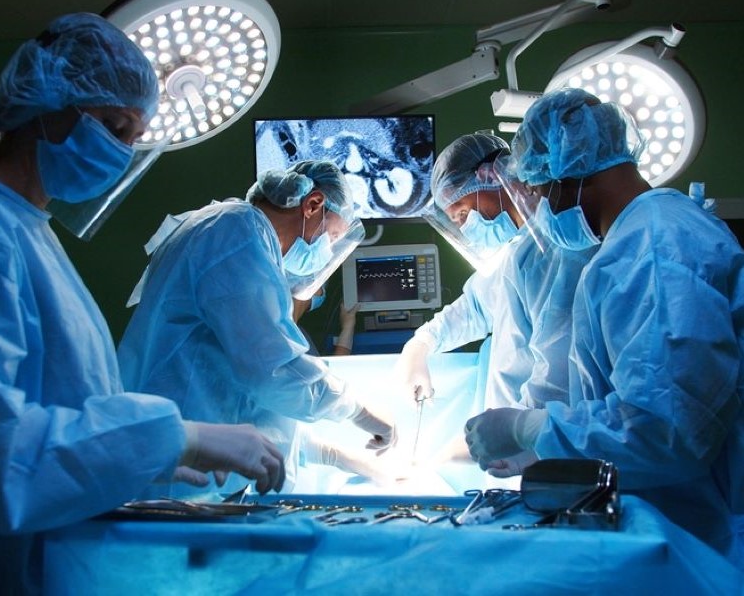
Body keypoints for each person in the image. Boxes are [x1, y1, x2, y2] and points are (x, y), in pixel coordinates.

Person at [0, 13, 286, 594]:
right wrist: (176, 436)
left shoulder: (30, 231)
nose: (121, 151)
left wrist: (142, 459)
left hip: (48, 556)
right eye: (112, 125)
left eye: (132, 137)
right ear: (45, 102)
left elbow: (63, 402)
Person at [465, 87, 744, 564]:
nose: (541, 208)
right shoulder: (638, 239)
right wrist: (550, 447)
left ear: (568, 175)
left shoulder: (653, 249)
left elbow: (666, 429)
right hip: (678, 523)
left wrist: (531, 427)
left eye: (539, 191)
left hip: (700, 536)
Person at [117, 160, 398, 497]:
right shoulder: (236, 234)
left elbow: (249, 403)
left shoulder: (233, 232)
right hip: (178, 481)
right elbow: (272, 372)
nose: (326, 251)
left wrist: (333, 455)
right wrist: (357, 410)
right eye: (332, 236)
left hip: (186, 462)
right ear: (313, 205)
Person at [395, 132, 598, 475]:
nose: (466, 228)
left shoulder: (553, 253)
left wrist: (509, 434)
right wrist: (421, 344)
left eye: (462, 214)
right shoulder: (517, 249)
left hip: (542, 449)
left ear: (491, 178)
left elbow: (557, 378)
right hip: (516, 446)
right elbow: (475, 307)